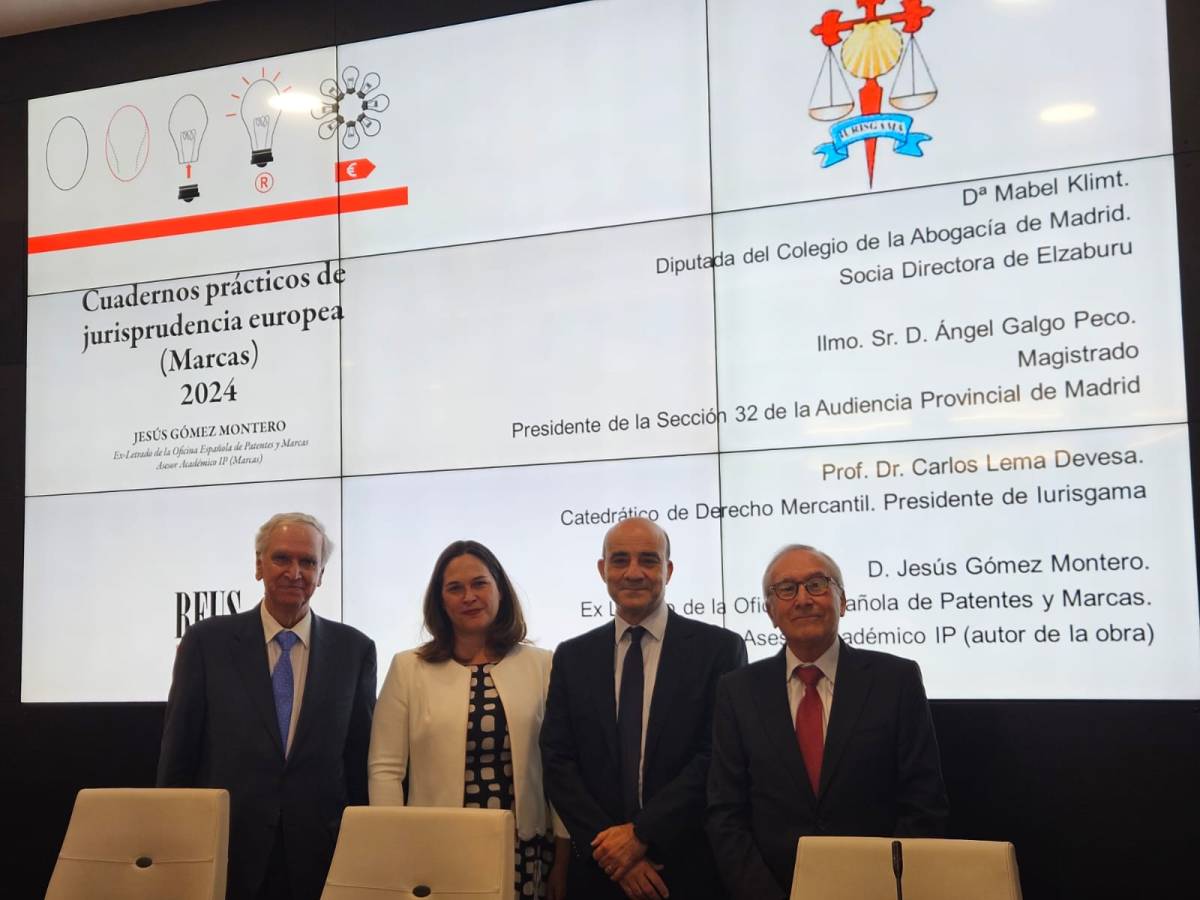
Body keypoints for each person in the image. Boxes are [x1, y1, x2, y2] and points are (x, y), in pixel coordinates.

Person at [707, 544, 949, 900]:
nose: (803, 599)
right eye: (786, 589)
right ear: (770, 612)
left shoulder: (896, 680)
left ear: (843, 601)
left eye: (817, 585)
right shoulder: (737, 690)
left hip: (876, 890)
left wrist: (883, 889)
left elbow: (924, 802)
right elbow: (725, 812)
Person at [157, 512, 377, 900]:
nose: (295, 572)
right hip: (227, 850)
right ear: (259, 565)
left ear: (321, 574)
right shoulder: (207, 643)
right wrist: (174, 842)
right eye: (281, 558)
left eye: (308, 561)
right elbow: (180, 751)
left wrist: (364, 849)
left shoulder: (354, 650)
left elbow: (359, 760)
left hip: (319, 855)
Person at [541, 517, 747, 900]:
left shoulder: (719, 649)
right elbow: (558, 761)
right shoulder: (572, 656)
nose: (633, 573)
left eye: (648, 560)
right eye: (620, 560)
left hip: (685, 870)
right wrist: (613, 853)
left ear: (668, 570)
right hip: (598, 874)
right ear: (602, 570)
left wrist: (640, 835)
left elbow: (716, 756)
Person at [368, 540, 569, 900]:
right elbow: (385, 768)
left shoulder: (542, 664)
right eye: (455, 588)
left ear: (500, 589)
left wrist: (564, 859)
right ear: (440, 600)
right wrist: (394, 847)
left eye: (479, 583)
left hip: (524, 849)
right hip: (436, 850)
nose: (469, 597)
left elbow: (560, 767)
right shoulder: (408, 667)